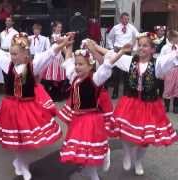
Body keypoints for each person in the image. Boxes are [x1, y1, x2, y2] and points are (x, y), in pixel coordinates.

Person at [0, 32, 73, 180]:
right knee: (17, 138)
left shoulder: (33, 65)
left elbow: (49, 53)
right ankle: (21, 163)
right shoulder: (7, 63)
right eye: (11, 54)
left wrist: (63, 43)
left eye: (15, 54)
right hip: (11, 106)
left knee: (26, 138)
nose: (13, 57)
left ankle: (21, 163)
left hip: (27, 106)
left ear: (25, 55)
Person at [106, 32, 178, 176]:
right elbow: (111, 55)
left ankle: (138, 160)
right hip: (130, 103)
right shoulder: (131, 61)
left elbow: (173, 57)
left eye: (145, 46)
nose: (141, 48)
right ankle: (127, 153)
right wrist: (94, 47)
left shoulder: (157, 64)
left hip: (149, 105)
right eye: (140, 45)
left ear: (153, 49)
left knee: (145, 139)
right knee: (125, 132)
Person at [58, 39, 129, 180]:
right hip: (77, 118)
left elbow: (107, 65)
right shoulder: (74, 77)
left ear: (90, 66)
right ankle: (89, 170)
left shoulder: (95, 79)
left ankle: (94, 174)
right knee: (81, 146)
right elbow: (67, 63)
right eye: (77, 64)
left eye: (81, 64)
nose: (77, 67)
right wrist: (69, 46)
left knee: (89, 146)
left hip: (90, 118)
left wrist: (120, 52)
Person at [107, 12, 139, 99]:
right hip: (117, 51)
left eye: (128, 19)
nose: (126, 21)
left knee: (126, 73)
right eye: (125, 19)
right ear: (121, 19)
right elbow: (109, 38)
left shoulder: (131, 28)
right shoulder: (115, 28)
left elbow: (138, 36)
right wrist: (111, 48)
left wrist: (135, 48)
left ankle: (125, 92)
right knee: (116, 73)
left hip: (127, 51)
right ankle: (115, 92)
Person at [41, 21, 68, 101]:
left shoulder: (61, 37)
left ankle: (56, 95)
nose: (60, 28)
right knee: (50, 78)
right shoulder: (53, 37)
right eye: (58, 27)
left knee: (59, 78)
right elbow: (59, 46)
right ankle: (50, 95)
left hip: (59, 58)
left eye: (61, 27)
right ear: (54, 28)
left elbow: (64, 49)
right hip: (53, 58)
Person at [0, 16, 18, 84]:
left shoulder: (15, 33)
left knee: (10, 70)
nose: (7, 22)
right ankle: (5, 86)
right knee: (3, 70)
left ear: (12, 22)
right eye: (6, 21)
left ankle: (11, 86)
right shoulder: (2, 33)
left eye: (9, 21)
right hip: (3, 52)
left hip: (10, 53)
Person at [161, 30, 178, 113]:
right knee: (168, 88)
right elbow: (161, 59)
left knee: (177, 88)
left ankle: (175, 106)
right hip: (169, 70)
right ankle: (166, 106)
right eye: (177, 37)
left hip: (177, 69)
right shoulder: (165, 48)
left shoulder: (177, 47)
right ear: (172, 38)